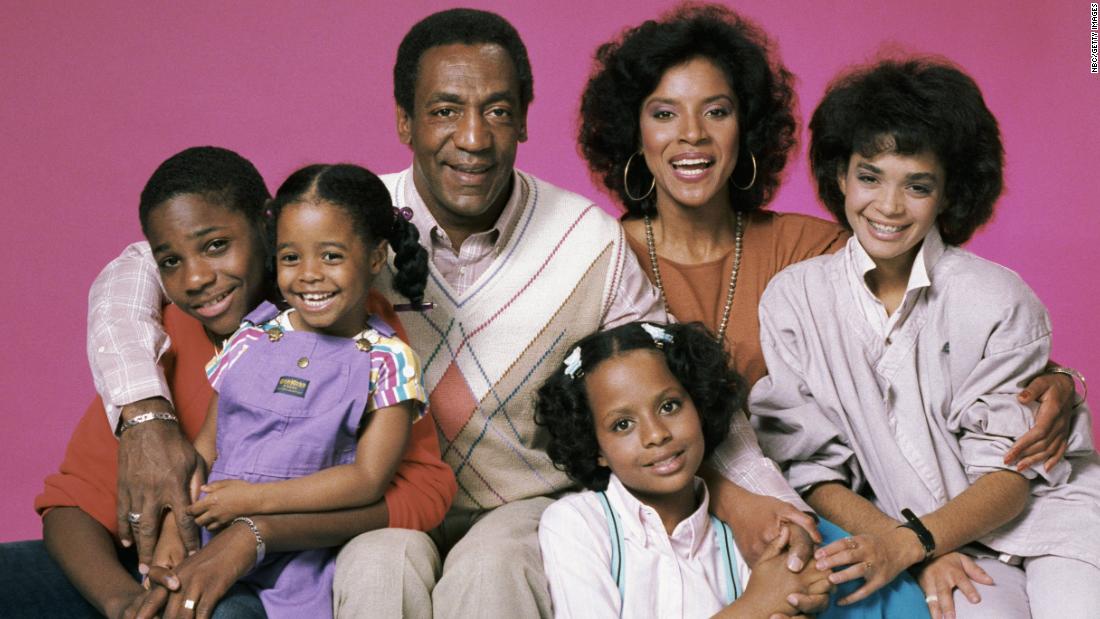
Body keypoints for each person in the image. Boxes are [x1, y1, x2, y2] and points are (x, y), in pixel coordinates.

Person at [79, 9, 837, 617]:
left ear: (524, 120)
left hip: (524, 508)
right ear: (405, 122)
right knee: (376, 567)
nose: (472, 139)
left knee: (491, 568)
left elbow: (666, 381)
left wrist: (759, 498)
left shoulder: (587, 242)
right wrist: (143, 412)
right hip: (374, 501)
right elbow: (145, 262)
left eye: (496, 111)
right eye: (445, 111)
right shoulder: (347, 216)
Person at [576, 7, 1080, 552]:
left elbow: (940, 322)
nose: (692, 134)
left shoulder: (813, 248)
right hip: (661, 523)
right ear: (634, 131)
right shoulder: (602, 259)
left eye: (716, 111)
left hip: (828, 518)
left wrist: (1059, 381)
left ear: (746, 126)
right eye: (664, 114)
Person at [23, 147, 455, 618]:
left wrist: (255, 533)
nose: (195, 279)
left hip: (280, 570)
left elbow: (414, 489)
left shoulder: (365, 339)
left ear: (266, 228)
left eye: (216, 246)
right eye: (171, 262)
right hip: (161, 568)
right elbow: (72, 502)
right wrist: (126, 602)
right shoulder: (180, 344)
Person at [750, 58, 1100, 619]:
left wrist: (910, 544)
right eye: (869, 177)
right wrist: (903, 545)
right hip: (930, 534)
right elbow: (810, 469)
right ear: (840, 176)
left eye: (917, 185)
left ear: (948, 193)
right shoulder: (794, 299)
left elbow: (1012, 472)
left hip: (1048, 516)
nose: (889, 206)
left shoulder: (996, 296)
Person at [173, 163, 431, 618]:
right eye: (291, 258)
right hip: (211, 533)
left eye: (330, 256)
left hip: (303, 559)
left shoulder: (387, 360)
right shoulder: (251, 337)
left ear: (376, 258)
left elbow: (367, 480)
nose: (309, 275)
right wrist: (174, 534)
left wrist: (253, 502)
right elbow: (207, 448)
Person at [535, 322, 927, 618]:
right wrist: (756, 605)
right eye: (622, 425)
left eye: (669, 406)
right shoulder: (577, 525)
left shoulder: (749, 541)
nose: (656, 434)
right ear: (596, 448)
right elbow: (764, 601)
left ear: (698, 404)